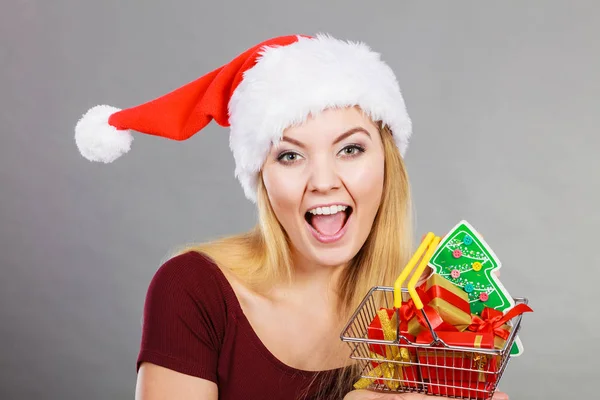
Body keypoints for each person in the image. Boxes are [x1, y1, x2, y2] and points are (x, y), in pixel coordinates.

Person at [74, 34, 509, 399]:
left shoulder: (432, 314)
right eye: (289, 155)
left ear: (386, 164)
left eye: (350, 149)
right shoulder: (193, 291)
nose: (323, 181)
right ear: (261, 176)